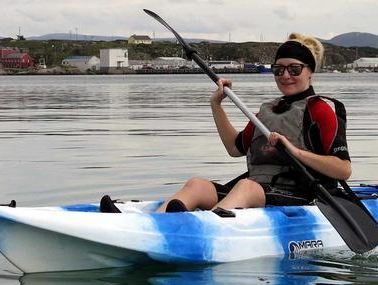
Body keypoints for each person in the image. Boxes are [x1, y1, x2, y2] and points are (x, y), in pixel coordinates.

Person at [100, 33, 351, 214]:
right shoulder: (268, 110)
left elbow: (343, 170)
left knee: (246, 187)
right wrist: (216, 105)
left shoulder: (322, 109)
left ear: (310, 71)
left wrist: (295, 151)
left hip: (302, 194)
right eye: (279, 69)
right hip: (260, 191)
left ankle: (205, 227)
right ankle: (150, 224)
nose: (285, 76)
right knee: (197, 185)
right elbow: (234, 148)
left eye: (294, 69)